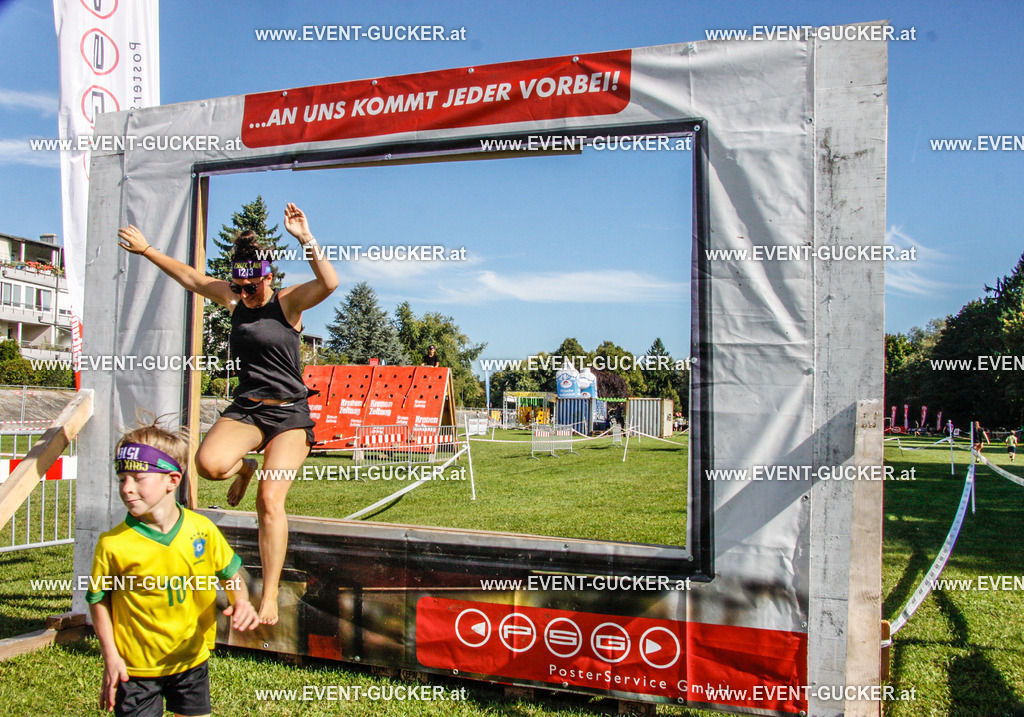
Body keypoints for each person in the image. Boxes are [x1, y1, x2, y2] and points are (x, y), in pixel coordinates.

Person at [117, 203, 338, 624]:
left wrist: (305, 238)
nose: (243, 294)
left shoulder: (289, 304)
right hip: (248, 408)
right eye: (238, 287)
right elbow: (194, 278)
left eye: (250, 287)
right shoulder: (234, 299)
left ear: (267, 277)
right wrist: (148, 251)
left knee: (270, 500)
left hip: (290, 414)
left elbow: (329, 281)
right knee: (207, 465)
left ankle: (269, 594)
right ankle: (245, 467)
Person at [87, 421, 259, 716]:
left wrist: (241, 601)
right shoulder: (112, 544)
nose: (127, 488)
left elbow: (229, 574)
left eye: (138, 478)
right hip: (135, 670)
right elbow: (98, 600)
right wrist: (110, 656)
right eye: (122, 478)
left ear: (172, 480)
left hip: (191, 662)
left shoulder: (202, 530)